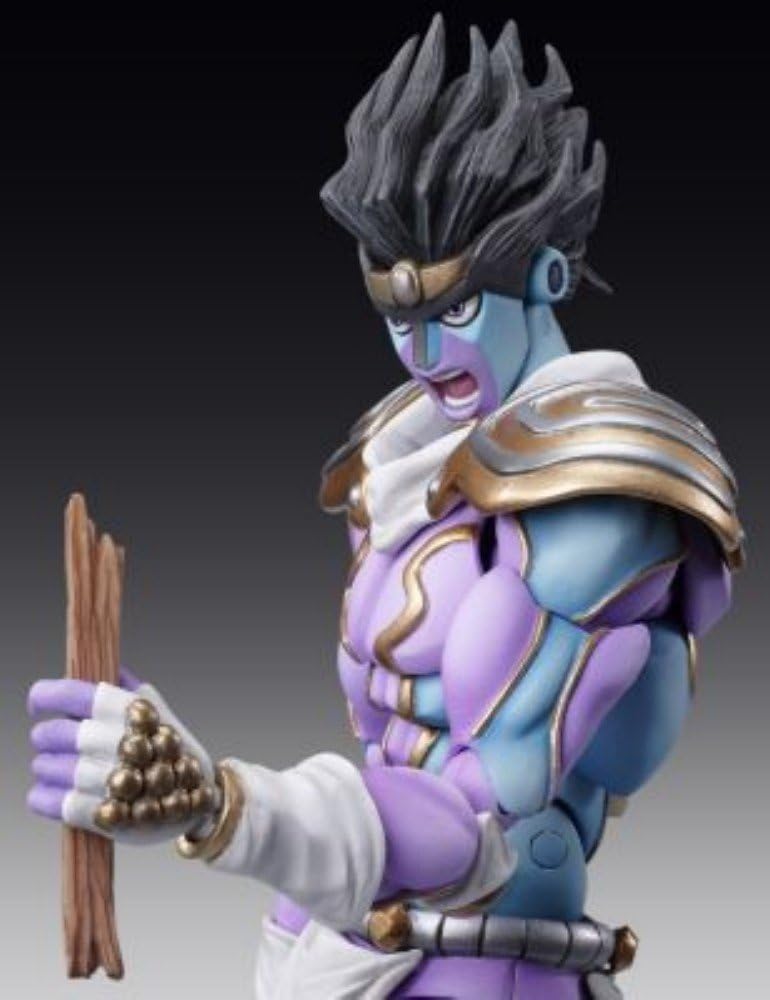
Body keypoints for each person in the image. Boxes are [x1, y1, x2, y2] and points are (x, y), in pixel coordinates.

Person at [27, 15, 742, 999]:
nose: (422, 354)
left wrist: (223, 806)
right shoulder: (403, 464)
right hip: (346, 945)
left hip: (491, 960)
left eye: (455, 311)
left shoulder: (599, 502)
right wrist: (153, 749)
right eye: (400, 319)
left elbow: (477, 825)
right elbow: (389, 757)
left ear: (545, 277)